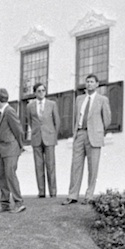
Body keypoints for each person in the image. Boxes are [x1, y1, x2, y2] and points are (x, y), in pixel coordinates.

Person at [66, 74, 111, 204]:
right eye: (87, 82)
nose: (89, 84)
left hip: (94, 136)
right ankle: (73, 195)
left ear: (97, 84)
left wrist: (98, 130)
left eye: (92, 82)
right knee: (76, 165)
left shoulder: (102, 99)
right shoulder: (79, 99)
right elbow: (76, 117)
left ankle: (89, 196)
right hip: (80, 134)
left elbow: (107, 119)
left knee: (93, 167)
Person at [0, 88, 25, 213]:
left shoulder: (9, 111)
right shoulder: (4, 111)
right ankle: (4, 203)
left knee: (10, 175)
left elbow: (18, 130)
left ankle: (18, 202)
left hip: (10, 148)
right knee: (2, 176)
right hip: (4, 148)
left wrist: (20, 146)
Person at [26, 84, 60, 199]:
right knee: (38, 166)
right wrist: (36, 132)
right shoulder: (30, 106)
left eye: (43, 90)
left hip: (49, 137)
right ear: (35, 93)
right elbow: (30, 121)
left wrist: (53, 135)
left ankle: (53, 192)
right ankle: (41, 192)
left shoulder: (52, 104)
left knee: (51, 165)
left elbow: (57, 121)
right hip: (36, 138)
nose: (41, 92)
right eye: (38, 91)